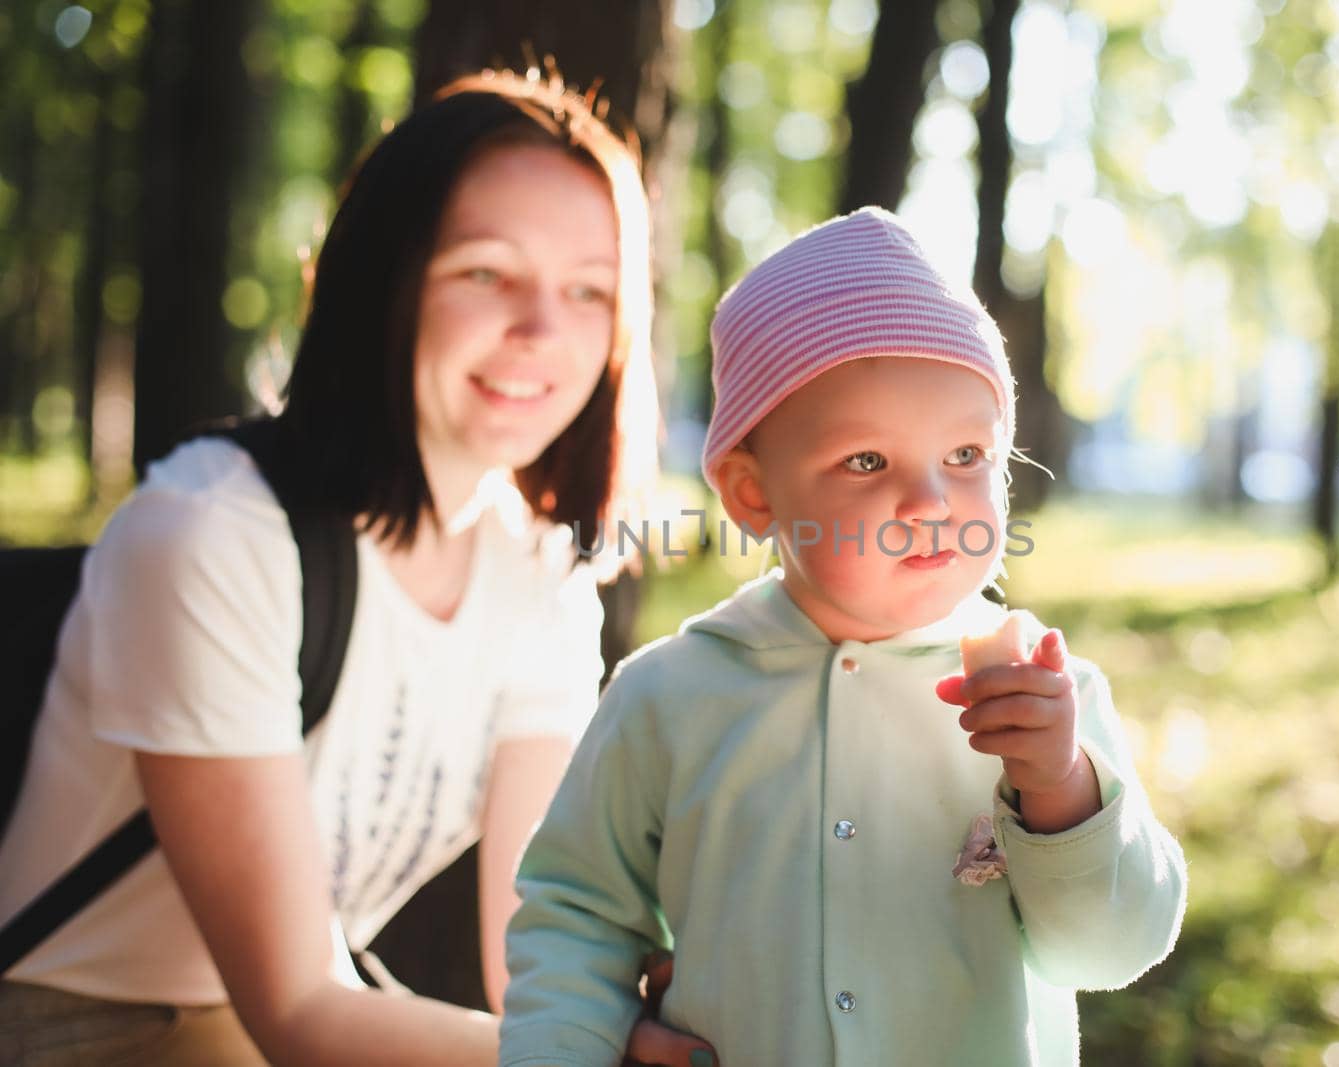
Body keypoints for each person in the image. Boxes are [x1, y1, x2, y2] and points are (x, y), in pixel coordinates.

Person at [0, 72, 711, 1067]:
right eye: (485, 272)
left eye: (589, 289)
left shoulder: (542, 571)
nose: (543, 330)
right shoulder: (212, 531)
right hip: (68, 1023)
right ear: (387, 277)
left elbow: (540, 939)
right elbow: (297, 1005)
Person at [497, 207, 1188, 1066]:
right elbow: (576, 911)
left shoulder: (1048, 700)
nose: (931, 501)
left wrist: (1059, 788)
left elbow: (1111, 950)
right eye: (867, 461)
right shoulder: (668, 696)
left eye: (968, 455)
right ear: (753, 496)